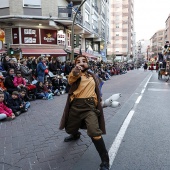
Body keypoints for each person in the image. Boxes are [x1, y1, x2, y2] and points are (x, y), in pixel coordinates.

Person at [59, 55, 109, 170]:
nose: (81, 63)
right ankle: (75, 134)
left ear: (88, 63)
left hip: (90, 107)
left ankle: (105, 161)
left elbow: (98, 89)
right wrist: (76, 70)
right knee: (70, 128)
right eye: (78, 61)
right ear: (75, 64)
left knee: (94, 132)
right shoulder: (75, 74)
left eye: (84, 61)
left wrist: (100, 99)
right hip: (75, 106)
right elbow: (71, 78)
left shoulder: (93, 76)